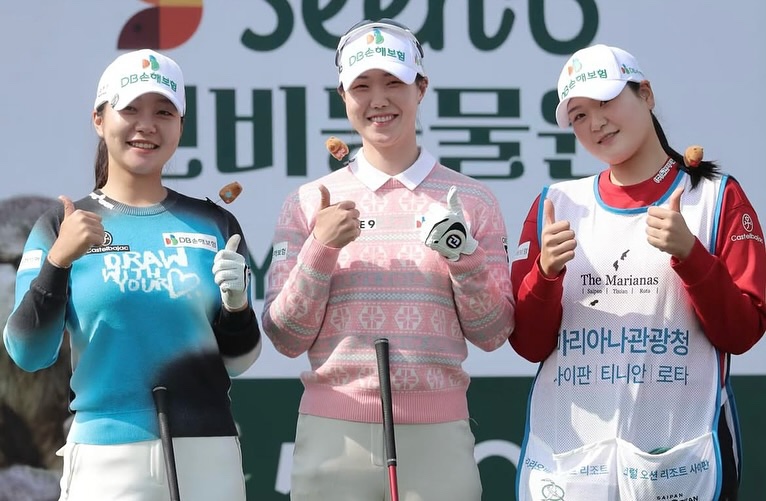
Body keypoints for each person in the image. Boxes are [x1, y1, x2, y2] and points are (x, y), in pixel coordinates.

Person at [262, 19, 515, 501]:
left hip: (439, 436)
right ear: (343, 96)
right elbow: (285, 337)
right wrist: (321, 248)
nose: (378, 99)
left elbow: (494, 332)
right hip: (334, 436)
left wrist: (462, 257)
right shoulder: (310, 202)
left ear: (421, 88)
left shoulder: (471, 200)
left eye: (393, 82)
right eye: (362, 86)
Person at [2, 49, 261, 501]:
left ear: (180, 125)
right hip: (107, 456)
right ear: (99, 120)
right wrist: (57, 262)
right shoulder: (61, 224)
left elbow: (239, 360)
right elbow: (28, 352)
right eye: (130, 109)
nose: (147, 124)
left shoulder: (213, 223)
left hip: (208, 450)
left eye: (163, 112)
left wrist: (237, 307)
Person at [510, 44, 766, 500]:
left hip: (681, 461)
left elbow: (742, 332)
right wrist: (545, 274)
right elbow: (528, 344)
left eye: (606, 101)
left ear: (645, 94)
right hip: (573, 467)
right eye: (579, 116)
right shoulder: (557, 204)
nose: (596, 123)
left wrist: (690, 254)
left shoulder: (715, 197)